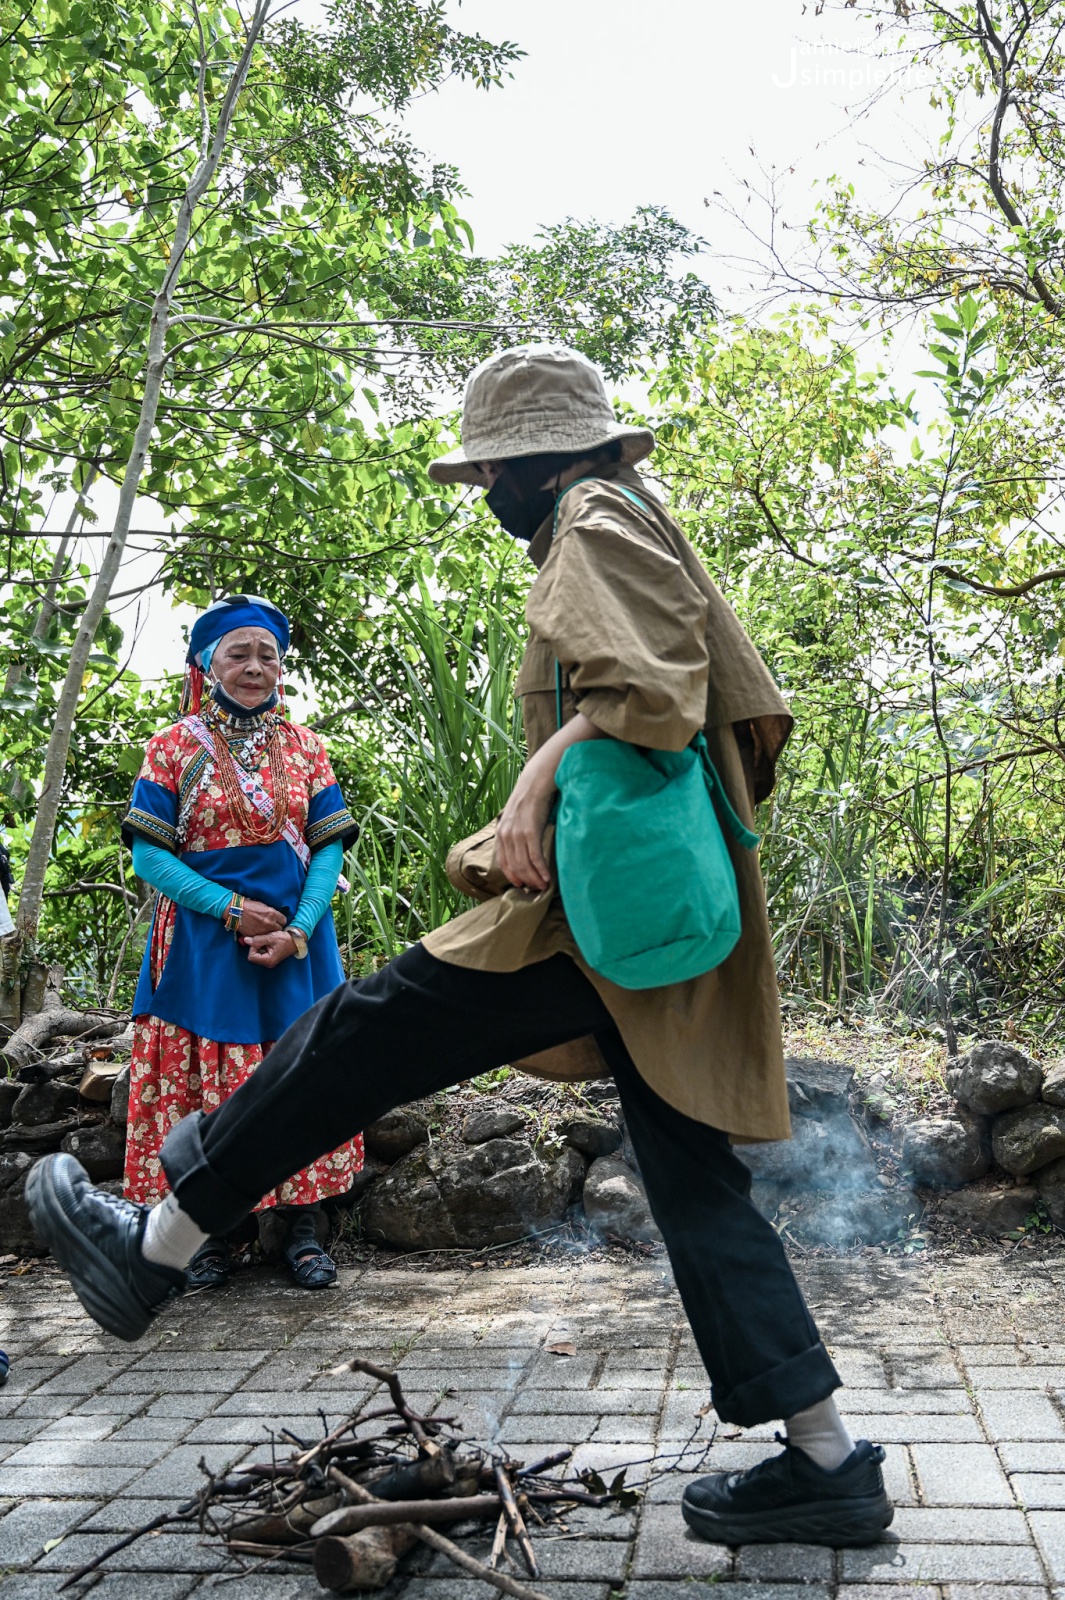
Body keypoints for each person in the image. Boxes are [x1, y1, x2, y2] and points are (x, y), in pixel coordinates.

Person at [28, 347, 892, 1549]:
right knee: (697, 1189)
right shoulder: (626, 514)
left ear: (535, 461)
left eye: (492, 469)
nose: (486, 490)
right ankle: (828, 1463)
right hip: (654, 922)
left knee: (357, 1034)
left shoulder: (591, 516)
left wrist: (537, 780)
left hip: (595, 922)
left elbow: (652, 689)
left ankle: (156, 1247)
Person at [118, 593, 363, 1288]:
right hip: (204, 946)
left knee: (301, 1081)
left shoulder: (307, 747)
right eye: (238, 653)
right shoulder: (171, 748)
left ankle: (302, 1231)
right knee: (207, 1091)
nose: (255, 667)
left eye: (267, 655)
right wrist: (229, 910)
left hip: (295, 945)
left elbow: (326, 853)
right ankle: (214, 1236)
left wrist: (298, 928)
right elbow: (150, 857)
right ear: (207, 662)